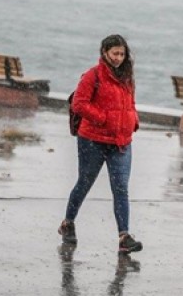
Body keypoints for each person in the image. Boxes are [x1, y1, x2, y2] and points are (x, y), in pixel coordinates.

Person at [58, 34, 143, 254]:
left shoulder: (127, 77)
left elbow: (130, 103)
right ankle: (68, 223)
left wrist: (133, 120)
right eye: (115, 53)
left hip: (121, 142)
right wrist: (103, 118)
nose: (119, 58)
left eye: (122, 54)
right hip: (92, 141)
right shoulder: (93, 75)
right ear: (104, 52)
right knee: (84, 183)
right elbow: (79, 104)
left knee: (121, 188)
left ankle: (124, 237)